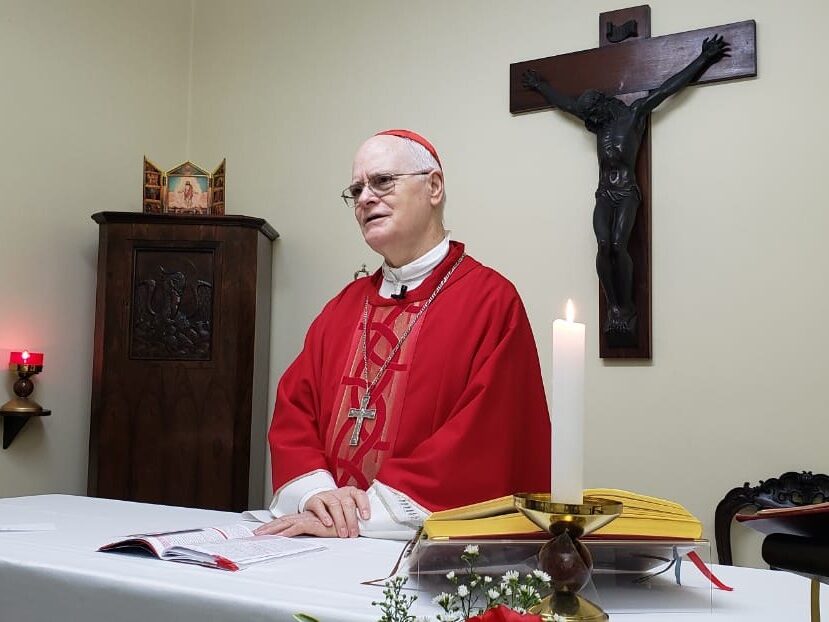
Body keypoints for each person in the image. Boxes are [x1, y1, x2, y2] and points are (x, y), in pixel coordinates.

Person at [255, 129, 551, 540]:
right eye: (356, 189)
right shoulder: (342, 309)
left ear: (433, 187)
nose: (364, 198)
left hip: (421, 554)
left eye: (382, 182)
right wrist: (317, 495)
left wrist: (360, 517)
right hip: (317, 543)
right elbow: (294, 412)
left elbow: (482, 443)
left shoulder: (490, 301)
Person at [522, 35, 729, 340]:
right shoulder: (600, 123)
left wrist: (704, 59)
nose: (588, 121)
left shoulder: (634, 115)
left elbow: (669, 87)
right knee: (603, 245)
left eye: (591, 115)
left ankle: (627, 305)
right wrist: (540, 86)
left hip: (626, 192)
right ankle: (614, 306)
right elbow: (566, 105)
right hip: (604, 193)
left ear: (602, 107)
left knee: (619, 245)